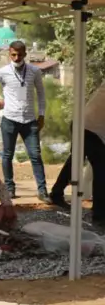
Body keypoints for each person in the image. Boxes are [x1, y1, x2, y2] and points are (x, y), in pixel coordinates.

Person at [0, 41, 47, 202]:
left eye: (20, 54)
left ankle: (43, 191)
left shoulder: (34, 71)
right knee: (7, 156)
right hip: (10, 119)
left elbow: (41, 95)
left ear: (25, 54)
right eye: (13, 54)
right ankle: (9, 189)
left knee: (35, 155)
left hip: (29, 120)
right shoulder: (3, 72)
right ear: (9, 54)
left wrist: (42, 116)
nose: (17, 58)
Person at [49, 83, 105, 227]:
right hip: (89, 128)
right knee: (101, 170)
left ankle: (56, 193)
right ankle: (99, 215)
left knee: (76, 161)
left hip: (85, 124)